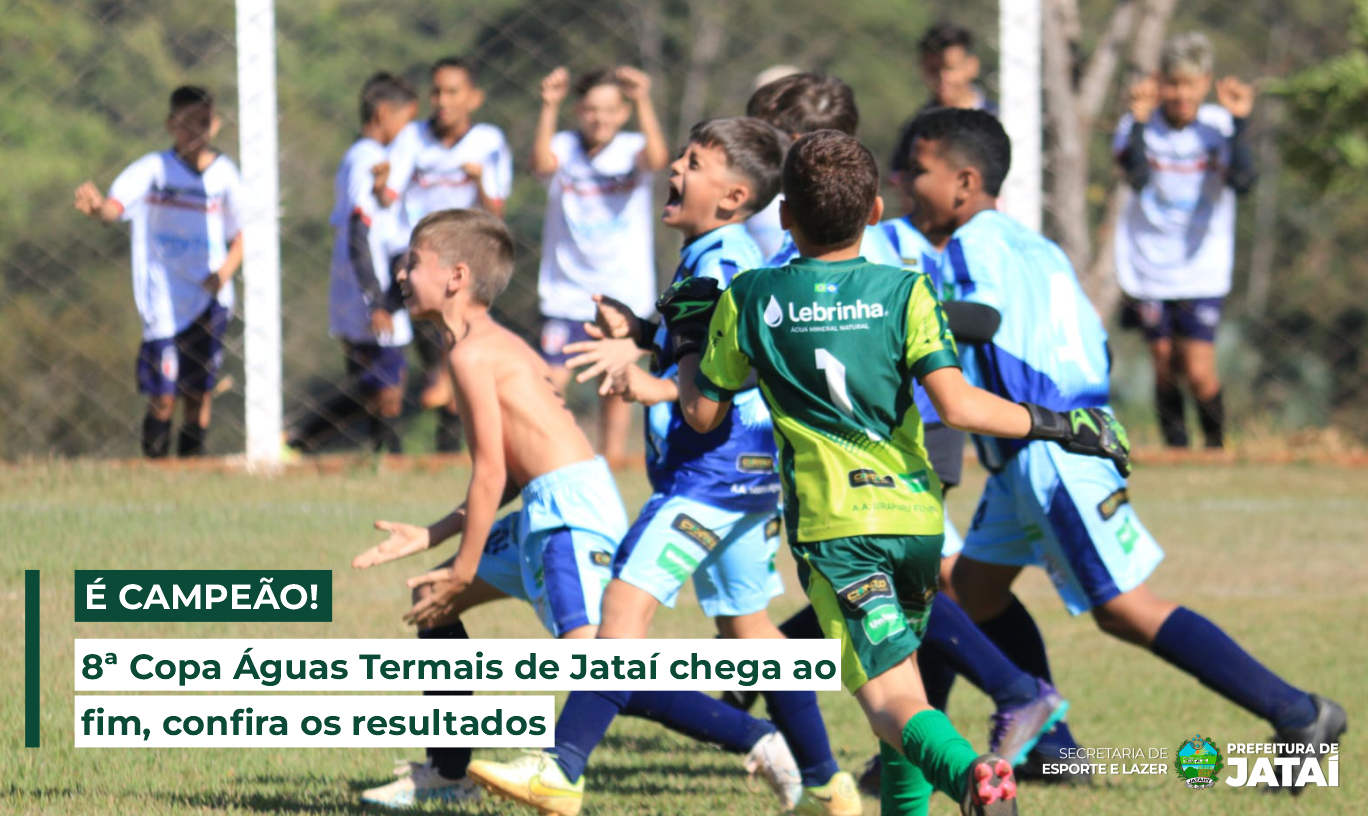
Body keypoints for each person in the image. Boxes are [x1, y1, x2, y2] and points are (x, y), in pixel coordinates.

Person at [676, 129, 1133, 815]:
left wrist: (688, 337)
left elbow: (703, 414)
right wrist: (1062, 424)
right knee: (904, 696)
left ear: (783, 216)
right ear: (876, 212)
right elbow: (959, 403)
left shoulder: (751, 295)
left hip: (837, 532)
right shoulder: (906, 291)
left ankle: (973, 777)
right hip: (917, 524)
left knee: (893, 703)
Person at [895, 107, 1343, 789]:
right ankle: (1053, 744)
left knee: (1123, 609)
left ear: (964, 181)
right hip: (1037, 449)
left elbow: (980, 320)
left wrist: (892, 312)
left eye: (918, 173)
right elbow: (1091, 336)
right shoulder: (1033, 243)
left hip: (1053, 448)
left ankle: (1298, 712)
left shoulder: (970, 242)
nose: (906, 186)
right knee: (973, 592)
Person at [471, 118, 857, 816]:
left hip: (707, 479)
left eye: (695, 161)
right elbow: (708, 339)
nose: (674, 168)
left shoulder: (715, 264)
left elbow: (715, 386)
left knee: (619, 616)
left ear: (735, 194)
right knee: (753, 631)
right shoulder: (723, 254)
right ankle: (830, 782)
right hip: (752, 478)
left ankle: (559, 771)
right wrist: (641, 334)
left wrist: (653, 385)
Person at [351, 210, 797, 812]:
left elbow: (488, 474)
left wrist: (464, 562)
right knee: (433, 605)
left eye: (414, 260)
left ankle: (755, 737)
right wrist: (434, 536)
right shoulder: (484, 346)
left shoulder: (474, 355)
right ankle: (450, 772)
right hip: (547, 503)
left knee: (601, 667)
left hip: (570, 512)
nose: (401, 271)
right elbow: (511, 470)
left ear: (456, 276)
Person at [74, 85, 243, 459]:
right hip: (163, 301)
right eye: (187, 123)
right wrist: (98, 207)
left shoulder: (225, 175)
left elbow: (242, 233)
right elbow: (115, 208)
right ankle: (155, 472)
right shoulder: (154, 169)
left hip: (208, 300)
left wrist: (225, 271)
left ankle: (191, 473)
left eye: (204, 122)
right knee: (164, 396)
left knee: (199, 394)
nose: (196, 131)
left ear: (214, 125)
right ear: (171, 124)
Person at [1114, 31, 1257, 449]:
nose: (1180, 94)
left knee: (1197, 369)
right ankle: (1176, 450)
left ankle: (1215, 447)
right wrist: (1139, 123)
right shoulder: (1136, 126)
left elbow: (1244, 181)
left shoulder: (1218, 127)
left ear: (1205, 83)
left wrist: (1241, 123)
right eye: (1173, 84)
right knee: (1162, 364)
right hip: (1150, 265)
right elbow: (1137, 178)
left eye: (1189, 84)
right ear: (1161, 83)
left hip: (1202, 266)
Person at [533, 66, 670, 467]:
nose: (600, 118)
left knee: (615, 384)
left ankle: (610, 462)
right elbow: (541, 164)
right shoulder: (562, 145)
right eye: (592, 109)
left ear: (624, 112)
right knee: (549, 383)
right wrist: (548, 105)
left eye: (610, 109)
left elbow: (658, 158)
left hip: (621, 291)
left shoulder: (631, 149)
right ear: (578, 111)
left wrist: (644, 99)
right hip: (565, 291)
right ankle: (555, 459)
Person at [381, 56, 514, 451]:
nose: (442, 100)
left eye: (452, 92)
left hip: (465, 255)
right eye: (436, 92)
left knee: (459, 343)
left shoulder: (489, 141)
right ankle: (441, 378)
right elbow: (389, 195)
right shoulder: (411, 137)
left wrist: (479, 181)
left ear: (474, 98)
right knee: (446, 331)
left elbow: (496, 211)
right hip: (415, 254)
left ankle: (449, 443)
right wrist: (378, 186)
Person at [286, 72, 419, 454]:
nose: (405, 130)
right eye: (403, 119)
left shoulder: (358, 159)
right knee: (388, 391)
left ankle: (302, 444)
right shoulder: (368, 159)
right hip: (369, 292)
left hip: (356, 289)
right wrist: (378, 301)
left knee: (372, 388)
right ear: (382, 113)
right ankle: (385, 463)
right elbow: (360, 232)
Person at [743, 72, 900, 268]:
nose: (750, 150)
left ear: (797, 144)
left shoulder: (772, 216)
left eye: (760, 140)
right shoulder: (870, 235)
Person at [888, 22, 996, 187]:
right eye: (933, 70)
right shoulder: (916, 128)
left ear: (972, 66)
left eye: (950, 68)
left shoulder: (998, 118)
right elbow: (899, 178)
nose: (942, 78)